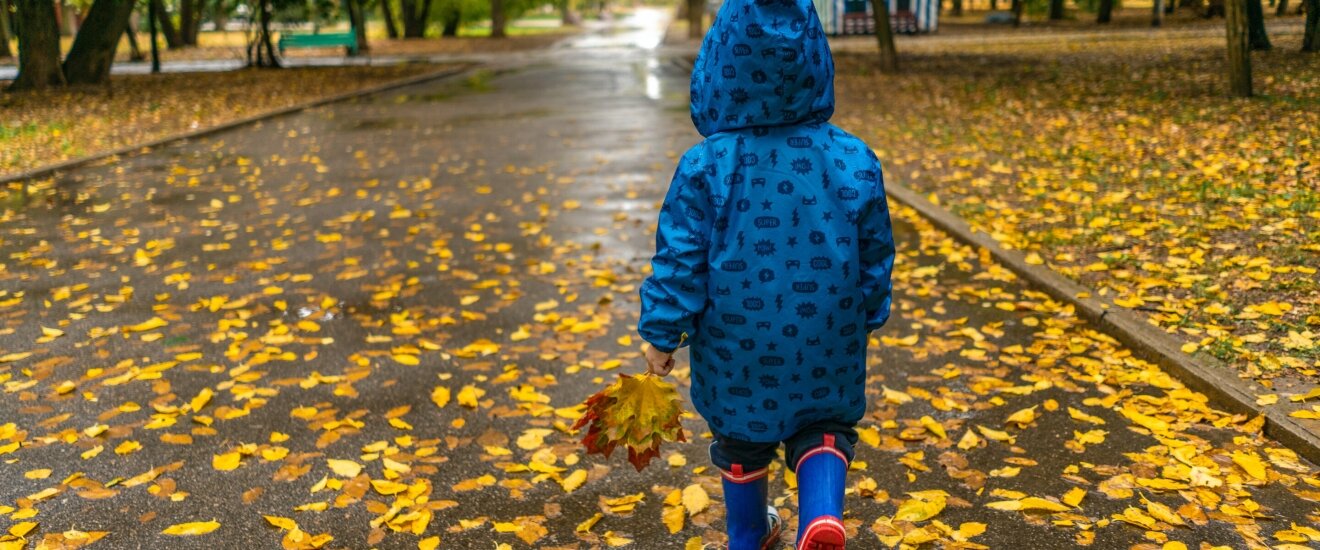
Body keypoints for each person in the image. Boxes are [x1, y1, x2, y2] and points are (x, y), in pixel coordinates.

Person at [637, 0, 896, 548]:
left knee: (739, 437)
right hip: (828, 333)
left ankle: (749, 533)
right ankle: (821, 514)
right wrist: (870, 311)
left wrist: (662, 332)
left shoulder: (706, 165)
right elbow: (875, 248)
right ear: (815, 62)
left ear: (718, 65)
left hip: (737, 343)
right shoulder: (853, 157)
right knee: (825, 426)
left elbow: (680, 257)